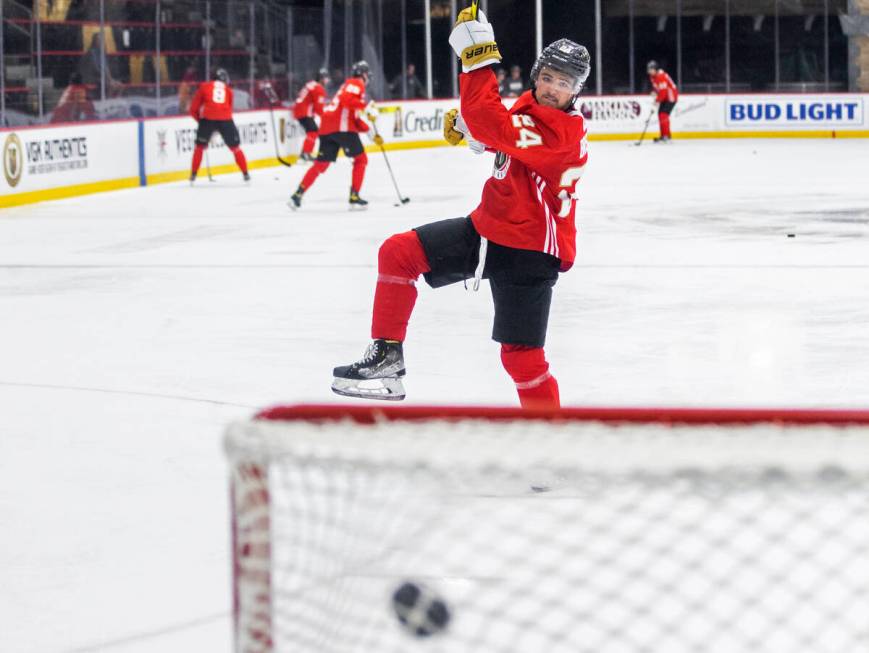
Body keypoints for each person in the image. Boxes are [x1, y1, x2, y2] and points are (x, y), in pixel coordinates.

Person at [330, 9, 590, 409]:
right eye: (549, 77)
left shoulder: (564, 132)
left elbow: (496, 125)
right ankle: (388, 357)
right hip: (491, 228)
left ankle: (550, 441)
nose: (553, 88)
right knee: (398, 253)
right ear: (537, 74)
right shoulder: (533, 109)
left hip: (531, 251)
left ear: (577, 91)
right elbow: (505, 138)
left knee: (521, 359)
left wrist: (478, 58)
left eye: (565, 82)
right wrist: (482, 138)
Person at [289, 60, 382, 210]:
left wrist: (369, 132)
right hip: (341, 128)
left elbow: (353, 117)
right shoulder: (356, 83)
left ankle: (297, 195)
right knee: (361, 159)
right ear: (363, 74)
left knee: (321, 164)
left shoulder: (349, 85)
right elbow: (347, 101)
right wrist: (365, 106)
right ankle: (354, 196)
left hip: (327, 128)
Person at [188, 68, 250, 183]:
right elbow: (229, 109)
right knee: (235, 148)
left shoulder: (204, 86)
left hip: (208, 119)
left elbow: (193, 109)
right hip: (225, 119)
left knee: (199, 147)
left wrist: (201, 122)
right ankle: (246, 173)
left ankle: (193, 174)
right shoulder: (228, 90)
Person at [292, 68, 330, 162]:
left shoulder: (310, 84)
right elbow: (319, 108)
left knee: (312, 131)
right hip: (304, 112)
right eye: (325, 78)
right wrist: (326, 117)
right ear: (321, 78)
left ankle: (305, 153)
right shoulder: (319, 89)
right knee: (313, 131)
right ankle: (305, 153)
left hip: (300, 110)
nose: (327, 80)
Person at [646, 60, 678, 143]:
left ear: (655, 69)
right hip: (664, 97)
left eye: (651, 69)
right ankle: (664, 135)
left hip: (671, 96)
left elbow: (663, 92)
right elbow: (658, 89)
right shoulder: (652, 77)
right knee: (660, 115)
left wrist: (656, 101)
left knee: (663, 115)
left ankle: (667, 136)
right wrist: (655, 92)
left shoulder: (661, 76)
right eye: (649, 69)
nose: (649, 71)